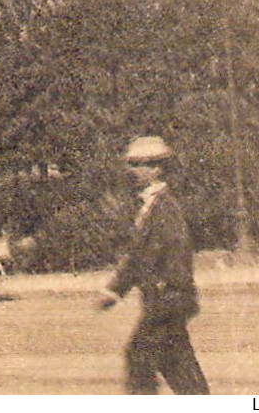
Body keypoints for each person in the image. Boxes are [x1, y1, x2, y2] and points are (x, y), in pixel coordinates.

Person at [96, 136, 209, 394]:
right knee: (180, 369)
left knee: (138, 360)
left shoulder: (165, 209)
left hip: (167, 302)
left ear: (156, 169)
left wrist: (169, 291)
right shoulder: (151, 206)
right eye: (131, 164)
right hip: (166, 302)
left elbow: (176, 254)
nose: (132, 171)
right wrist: (114, 291)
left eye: (138, 164)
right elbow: (138, 256)